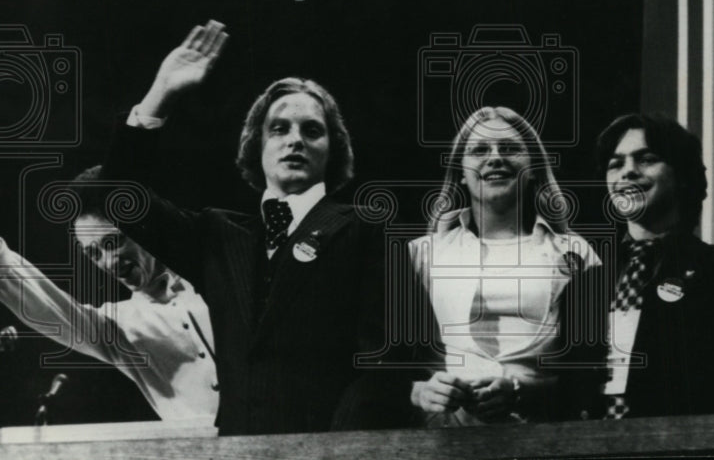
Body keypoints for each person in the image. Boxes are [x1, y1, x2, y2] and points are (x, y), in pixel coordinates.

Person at [99, 21, 386, 435]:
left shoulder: (364, 229)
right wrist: (161, 93)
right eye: (279, 128)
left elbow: (382, 361)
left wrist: (338, 447)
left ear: (333, 150)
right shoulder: (217, 234)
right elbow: (118, 199)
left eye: (312, 130)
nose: (295, 140)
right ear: (257, 145)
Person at [404, 106, 604, 426]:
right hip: (445, 437)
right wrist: (418, 391)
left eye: (510, 148)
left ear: (534, 167)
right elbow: (391, 364)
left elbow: (590, 370)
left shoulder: (576, 253)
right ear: (460, 171)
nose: (495, 157)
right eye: (480, 150)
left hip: (543, 431)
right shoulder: (420, 255)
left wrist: (520, 390)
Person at [0, 169, 218, 422]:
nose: (109, 262)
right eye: (94, 254)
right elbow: (46, 305)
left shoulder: (222, 280)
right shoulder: (118, 327)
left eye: (114, 242)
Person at [596, 113, 714, 419]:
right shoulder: (585, 283)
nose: (628, 172)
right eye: (616, 163)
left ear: (682, 175)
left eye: (646, 159)